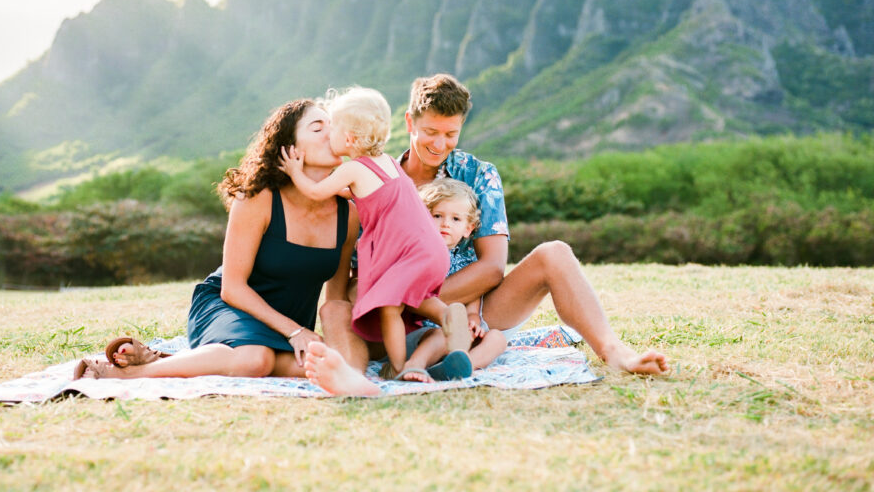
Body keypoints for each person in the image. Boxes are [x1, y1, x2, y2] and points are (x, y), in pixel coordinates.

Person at [307, 74, 668, 396]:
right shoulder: (367, 176)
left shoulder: (479, 174)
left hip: (468, 308)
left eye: (451, 134)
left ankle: (614, 351)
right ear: (409, 122)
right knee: (340, 304)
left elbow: (493, 269)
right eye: (430, 132)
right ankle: (355, 377)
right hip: (390, 314)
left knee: (554, 252)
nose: (439, 144)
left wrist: (450, 306)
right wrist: (370, 304)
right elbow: (343, 275)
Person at [73, 99, 359, 381]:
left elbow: (335, 298)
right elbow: (232, 288)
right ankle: (128, 373)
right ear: (290, 148)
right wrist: (295, 332)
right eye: (318, 127)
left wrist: (324, 342)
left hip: (290, 325)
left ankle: (173, 361)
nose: (331, 133)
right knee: (255, 359)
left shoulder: (348, 215)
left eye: (332, 126)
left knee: (315, 369)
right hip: (230, 308)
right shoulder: (259, 198)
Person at [278, 86, 469, 379]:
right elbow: (364, 195)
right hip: (432, 251)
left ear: (350, 138)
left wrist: (294, 172)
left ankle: (399, 366)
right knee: (412, 297)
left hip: (409, 254)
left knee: (390, 308)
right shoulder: (390, 164)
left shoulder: (353, 168)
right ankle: (446, 314)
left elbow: (317, 192)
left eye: (334, 130)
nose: (329, 136)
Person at [398, 179, 507, 381]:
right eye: (437, 216)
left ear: (468, 228)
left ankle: (464, 364)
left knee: (497, 338)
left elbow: (472, 300)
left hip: (458, 337)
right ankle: (415, 365)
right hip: (425, 333)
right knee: (440, 334)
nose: (446, 223)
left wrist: (473, 320)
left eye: (456, 219)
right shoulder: (417, 254)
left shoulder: (468, 261)